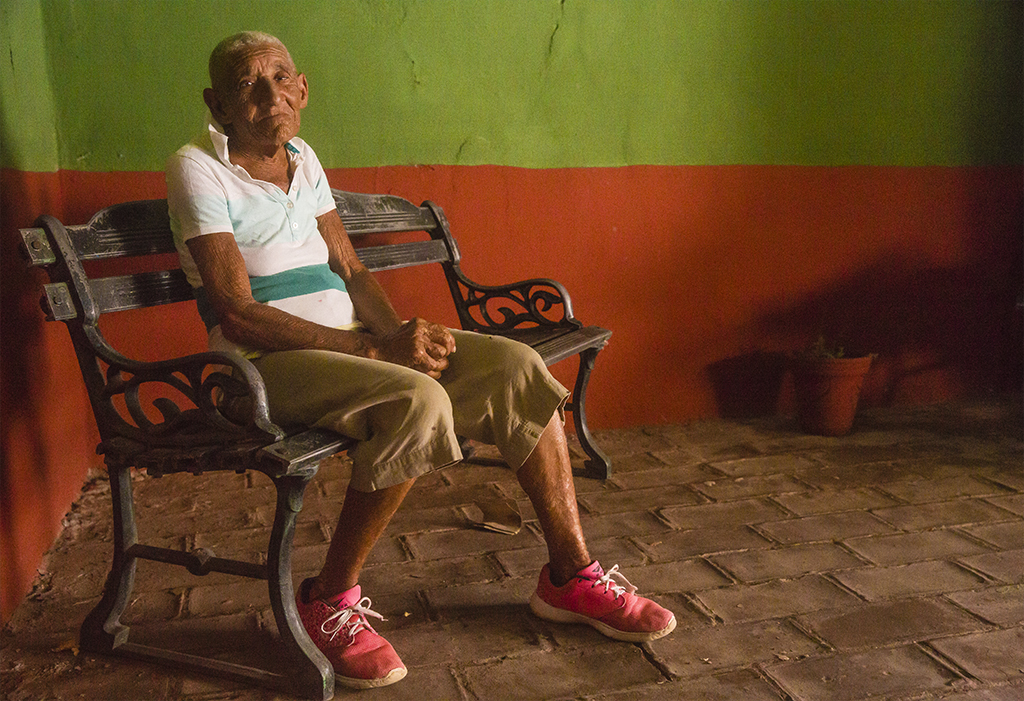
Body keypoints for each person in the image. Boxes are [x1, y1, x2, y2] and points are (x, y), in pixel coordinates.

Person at [166, 31, 675, 690]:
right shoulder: (197, 166)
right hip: (262, 365)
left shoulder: (303, 157)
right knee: (418, 401)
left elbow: (349, 269)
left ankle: (570, 577)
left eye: (280, 77)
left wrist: (403, 334)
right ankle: (328, 599)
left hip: (353, 348)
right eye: (246, 85)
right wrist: (377, 351)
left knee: (517, 366)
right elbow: (235, 309)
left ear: (303, 88)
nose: (269, 95)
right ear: (218, 104)